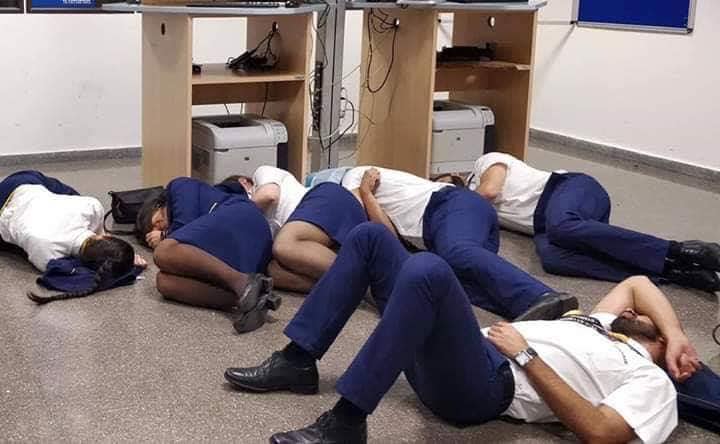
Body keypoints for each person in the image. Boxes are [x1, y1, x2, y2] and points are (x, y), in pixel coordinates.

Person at [224, 223, 697, 443]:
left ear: (651, 344)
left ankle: (347, 422)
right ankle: (298, 358)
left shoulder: (649, 380)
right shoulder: (601, 324)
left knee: (429, 268)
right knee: (370, 238)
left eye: (651, 320)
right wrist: (675, 333)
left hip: (488, 388)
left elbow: (601, 432)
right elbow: (638, 284)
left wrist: (529, 355)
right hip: (470, 350)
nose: (636, 311)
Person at [458, 152, 720, 292]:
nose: (439, 188)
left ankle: (681, 250)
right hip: (548, 226)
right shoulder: (470, 207)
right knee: (553, 259)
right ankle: (672, 273)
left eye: (439, 183)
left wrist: (458, 204)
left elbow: (490, 191)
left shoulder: (486, 162)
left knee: (562, 227)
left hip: (567, 189)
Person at [340, 166, 575, 321]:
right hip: (445, 227)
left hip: (448, 206)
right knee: (451, 284)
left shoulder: (354, 179)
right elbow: (388, 237)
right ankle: (542, 315)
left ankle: (543, 296)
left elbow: (379, 232)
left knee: (458, 251)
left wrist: (366, 193)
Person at [135, 176, 276, 333]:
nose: (158, 228)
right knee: (164, 283)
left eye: (155, 223)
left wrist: (164, 237)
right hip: (236, 256)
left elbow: (185, 222)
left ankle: (245, 284)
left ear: (157, 206)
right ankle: (253, 297)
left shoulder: (178, 186)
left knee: (163, 252)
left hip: (243, 220)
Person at [0, 170, 143, 299]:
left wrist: (119, 254)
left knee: (69, 199)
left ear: (105, 237)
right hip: (12, 205)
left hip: (26, 181)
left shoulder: (92, 207)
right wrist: (119, 260)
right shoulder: (47, 253)